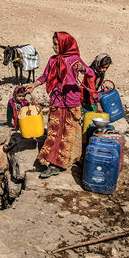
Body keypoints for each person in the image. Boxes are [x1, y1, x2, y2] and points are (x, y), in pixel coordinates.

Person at [26, 32, 94, 178]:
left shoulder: (75, 59)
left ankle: (60, 163)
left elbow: (91, 73)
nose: (53, 47)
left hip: (71, 101)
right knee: (55, 131)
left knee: (68, 132)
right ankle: (51, 162)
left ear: (64, 44)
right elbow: (45, 76)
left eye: (56, 44)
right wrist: (34, 85)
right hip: (57, 100)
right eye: (54, 44)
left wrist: (82, 69)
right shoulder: (52, 60)